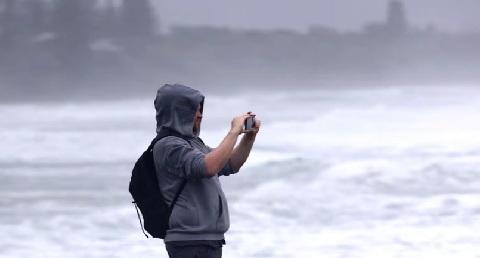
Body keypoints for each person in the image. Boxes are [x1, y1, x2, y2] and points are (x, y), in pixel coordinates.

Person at [153, 84, 261, 258]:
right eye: (194, 110)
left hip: (208, 239)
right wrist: (233, 132)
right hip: (188, 241)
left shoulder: (194, 144)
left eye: (200, 109)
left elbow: (230, 164)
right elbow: (208, 167)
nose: (200, 115)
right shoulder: (168, 145)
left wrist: (249, 136)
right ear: (177, 112)